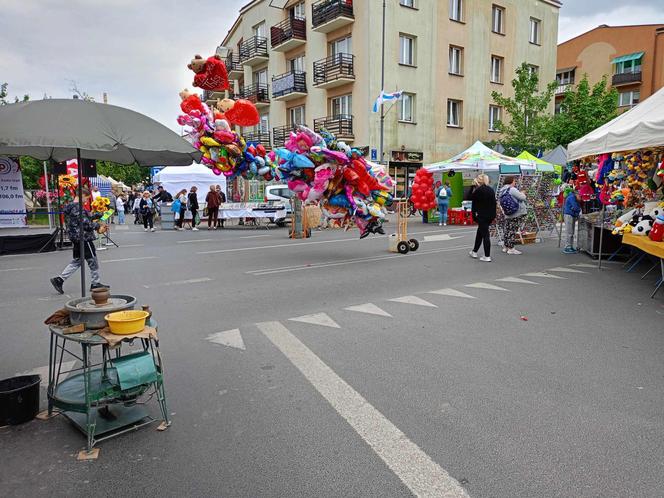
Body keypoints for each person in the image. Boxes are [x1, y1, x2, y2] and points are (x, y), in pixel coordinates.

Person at [50, 188, 108, 294]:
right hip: (84, 238)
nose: (86, 201)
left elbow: (85, 217)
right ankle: (95, 283)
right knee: (93, 260)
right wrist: (98, 225)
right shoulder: (78, 208)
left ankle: (59, 280)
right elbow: (86, 224)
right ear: (82, 195)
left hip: (75, 237)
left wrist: (99, 214)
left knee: (78, 260)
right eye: (86, 198)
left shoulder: (70, 206)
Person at [469, 174, 496, 262]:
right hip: (490, 215)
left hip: (482, 215)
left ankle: (487, 256)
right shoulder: (491, 189)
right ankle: (474, 251)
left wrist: (472, 187)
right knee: (480, 232)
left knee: (485, 235)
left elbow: (470, 198)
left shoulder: (478, 190)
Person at [498, 176, 528, 255]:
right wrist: (522, 193)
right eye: (514, 181)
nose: (515, 183)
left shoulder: (502, 191)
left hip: (508, 213)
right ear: (511, 181)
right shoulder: (512, 189)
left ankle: (506, 246)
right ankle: (511, 248)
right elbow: (523, 198)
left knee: (507, 229)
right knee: (513, 230)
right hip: (516, 212)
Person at [563, 189, 581, 254]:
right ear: (577, 194)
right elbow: (576, 207)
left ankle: (570, 246)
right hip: (569, 215)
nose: (580, 198)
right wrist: (578, 210)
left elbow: (575, 208)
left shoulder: (573, 197)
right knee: (569, 232)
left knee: (571, 232)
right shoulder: (572, 198)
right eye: (580, 196)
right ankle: (567, 247)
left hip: (571, 215)